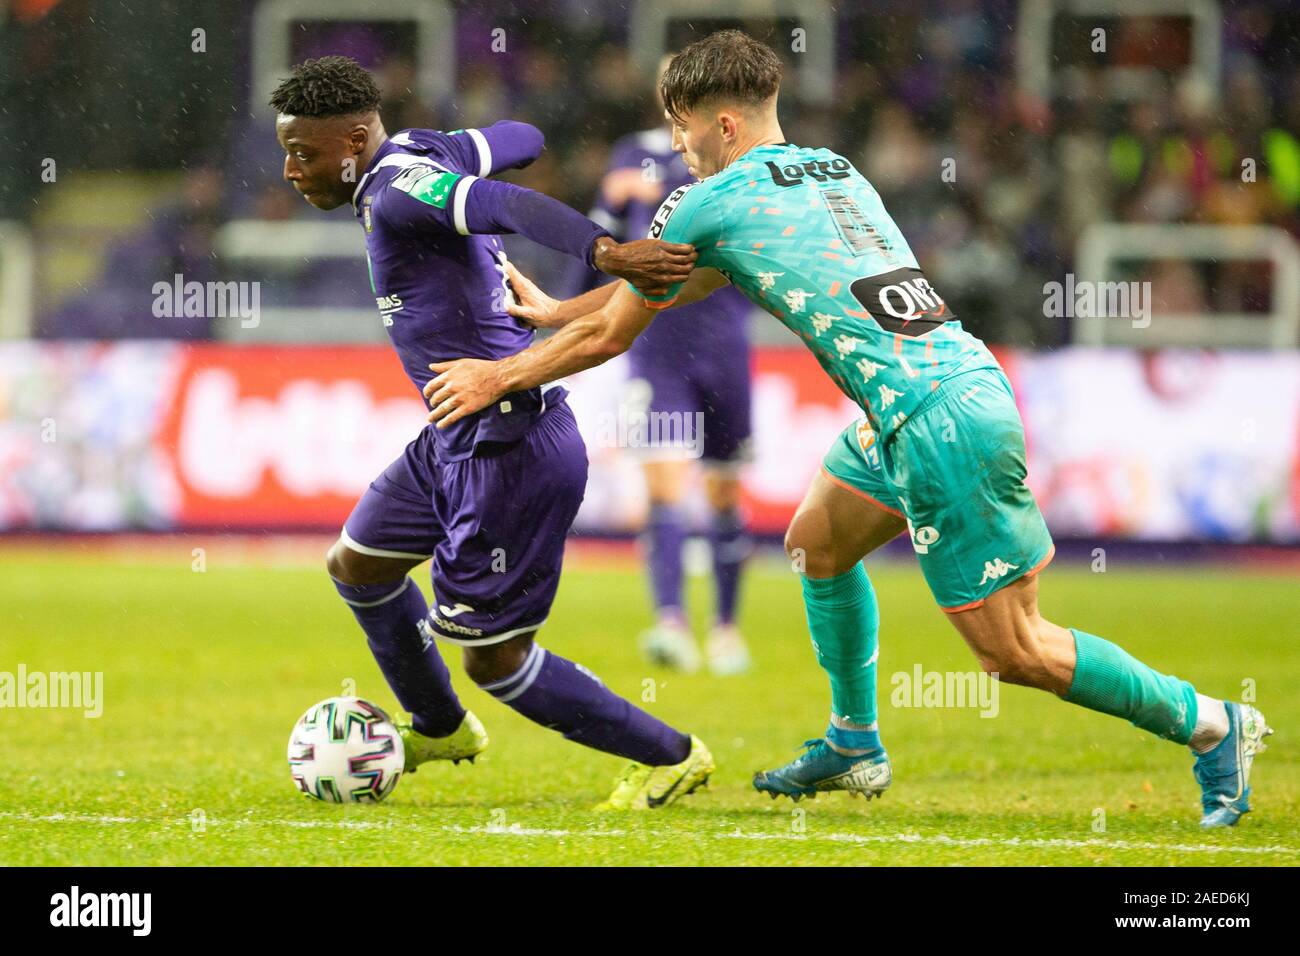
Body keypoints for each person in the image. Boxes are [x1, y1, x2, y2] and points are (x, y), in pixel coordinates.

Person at [420, 31, 1271, 827]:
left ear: (721, 121)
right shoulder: (829, 168)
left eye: (682, 130)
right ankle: (852, 742)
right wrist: (557, 308)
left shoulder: (705, 199)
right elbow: (701, 280)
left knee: (1016, 650)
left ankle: (1211, 725)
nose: (676, 147)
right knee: (817, 544)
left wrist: (495, 374)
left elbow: (619, 333)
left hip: (935, 423)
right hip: (937, 392)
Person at [269, 55, 713, 809]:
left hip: (509, 443)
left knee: (496, 660)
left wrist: (606, 252)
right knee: (360, 566)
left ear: (351, 142)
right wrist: (453, 145)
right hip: (453, 432)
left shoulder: (400, 190)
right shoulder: (418, 151)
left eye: (304, 153)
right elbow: (523, 135)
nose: (289, 170)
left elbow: (503, 199)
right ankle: (440, 728)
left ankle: (671, 754)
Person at [563, 60, 755, 676]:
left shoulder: (735, 158)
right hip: (657, 346)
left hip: (725, 345)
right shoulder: (632, 152)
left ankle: (726, 630)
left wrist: (654, 188)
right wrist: (565, 310)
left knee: (725, 493)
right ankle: (671, 623)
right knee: (666, 488)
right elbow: (603, 243)